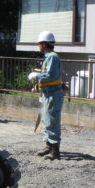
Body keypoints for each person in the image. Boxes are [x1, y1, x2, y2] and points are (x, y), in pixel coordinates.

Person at [30, 31, 65, 160]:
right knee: (46, 120)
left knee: (52, 121)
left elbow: (50, 75)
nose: (39, 46)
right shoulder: (48, 57)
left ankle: (55, 151)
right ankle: (48, 146)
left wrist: (37, 75)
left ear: (44, 44)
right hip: (48, 93)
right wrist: (39, 85)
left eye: (39, 44)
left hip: (53, 94)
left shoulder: (52, 57)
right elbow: (49, 77)